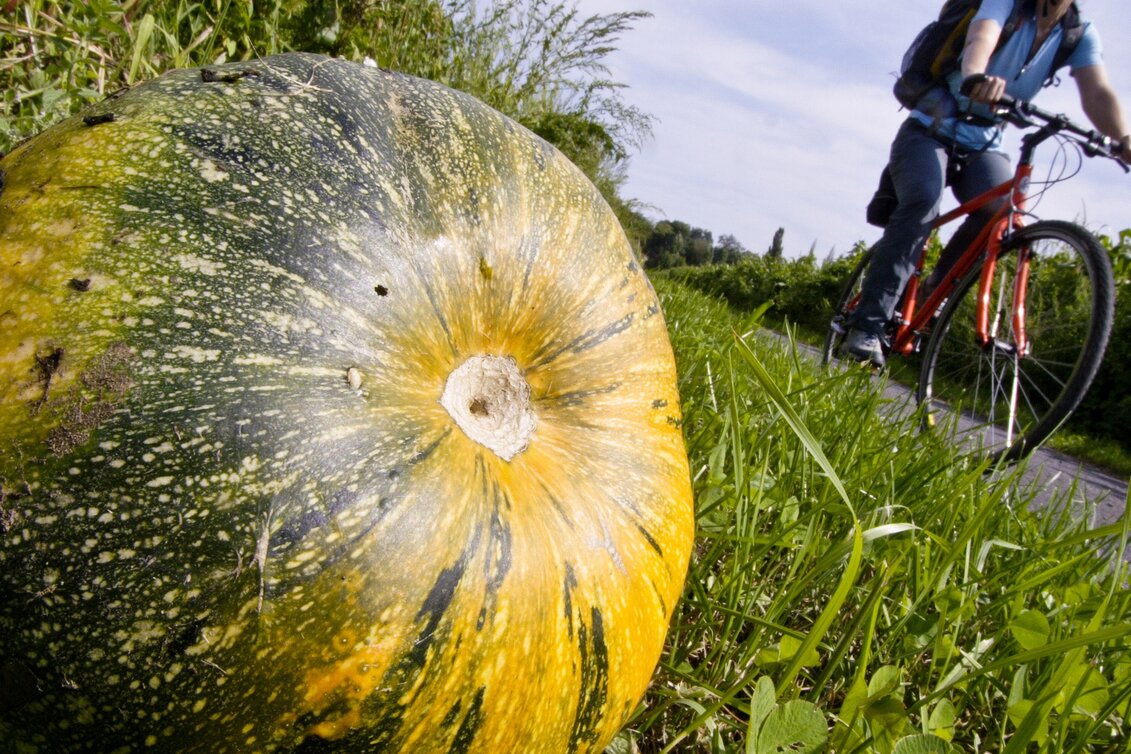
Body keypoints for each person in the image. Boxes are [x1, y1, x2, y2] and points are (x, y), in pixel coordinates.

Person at [842, 0, 1131, 368]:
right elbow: (982, 34)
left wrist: (1122, 137)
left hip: (985, 141)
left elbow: (1097, 91)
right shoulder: (1005, 3)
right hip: (930, 128)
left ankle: (937, 290)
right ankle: (866, 325)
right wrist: (976, 76)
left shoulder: (1078, 32)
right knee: (924, 203)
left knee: (1002, 213)